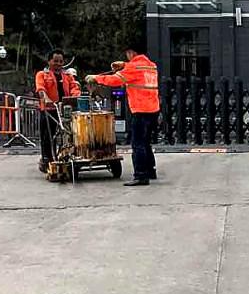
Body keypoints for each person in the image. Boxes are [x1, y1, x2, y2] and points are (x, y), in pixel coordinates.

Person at [87, 42, 160, 186]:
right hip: (153, 109)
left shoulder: (133, 67)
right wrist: (124, 65)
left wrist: (96, 78)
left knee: (137, 144)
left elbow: (115, 80)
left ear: (132, 52)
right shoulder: (151, 66)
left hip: (140, 110)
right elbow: (136, 71)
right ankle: (150, 171)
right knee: (145, 142)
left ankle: (141, 176)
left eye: (127, 54)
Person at [35, 50, 81, 172]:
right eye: (55, 61)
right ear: (49, 61)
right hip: (49, 109)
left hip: (66, 109)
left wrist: (75, 96)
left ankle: (70, 155)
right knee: (48, 136)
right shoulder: (42, 74)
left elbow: (74, 88)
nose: (58, 64)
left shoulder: (68, 76)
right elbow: (40, 88)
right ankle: (47, 158)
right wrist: (45, 98)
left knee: (71, 133)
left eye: (61, 61)